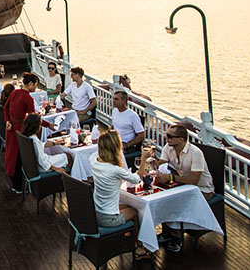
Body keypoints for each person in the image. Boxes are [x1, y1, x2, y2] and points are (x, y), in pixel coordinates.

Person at [148, 125, 215, 252]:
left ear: (181, 139)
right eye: (166, 135)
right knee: (164, 197)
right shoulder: (169, 148)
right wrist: (151, 158)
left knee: (177, 202)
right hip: (185, 186)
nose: (166, 138)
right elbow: (161, 165)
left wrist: (171, 178)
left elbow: (194, 180)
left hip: (202, 189)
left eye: (169, 136)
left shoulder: (195, 153)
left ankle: (176, 237)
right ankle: (167, 232)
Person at [90, 130, 148, 258]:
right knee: (137, 211)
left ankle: (133, 241)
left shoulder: (93, 160)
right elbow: (137, 179)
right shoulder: (115, 170)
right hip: (108, 219)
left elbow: (98, 153)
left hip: (95, 213)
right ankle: (140, 246)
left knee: (128, 207)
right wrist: (143, 158)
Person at [4, 72, 37, 193]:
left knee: (11, 156)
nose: (35, 88)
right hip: (20, 130)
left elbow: (5, 108)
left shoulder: (14, 93)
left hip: (11, 129)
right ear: (30, 84)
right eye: (35, 85)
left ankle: (16, 184)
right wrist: (47, 124)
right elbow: (33, 118)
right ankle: (22, 185)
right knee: (19, 157)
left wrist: (7, 120)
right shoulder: (28, 98)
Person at [111, 90, 144, 167]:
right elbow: (113, 127)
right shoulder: (115, 111)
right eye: (113, 99)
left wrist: (126, 145)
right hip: (115, 141)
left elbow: (141, 135)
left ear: (124, 100)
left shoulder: (132, 116)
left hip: (126, 145)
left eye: (116, 99)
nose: (113, 101)